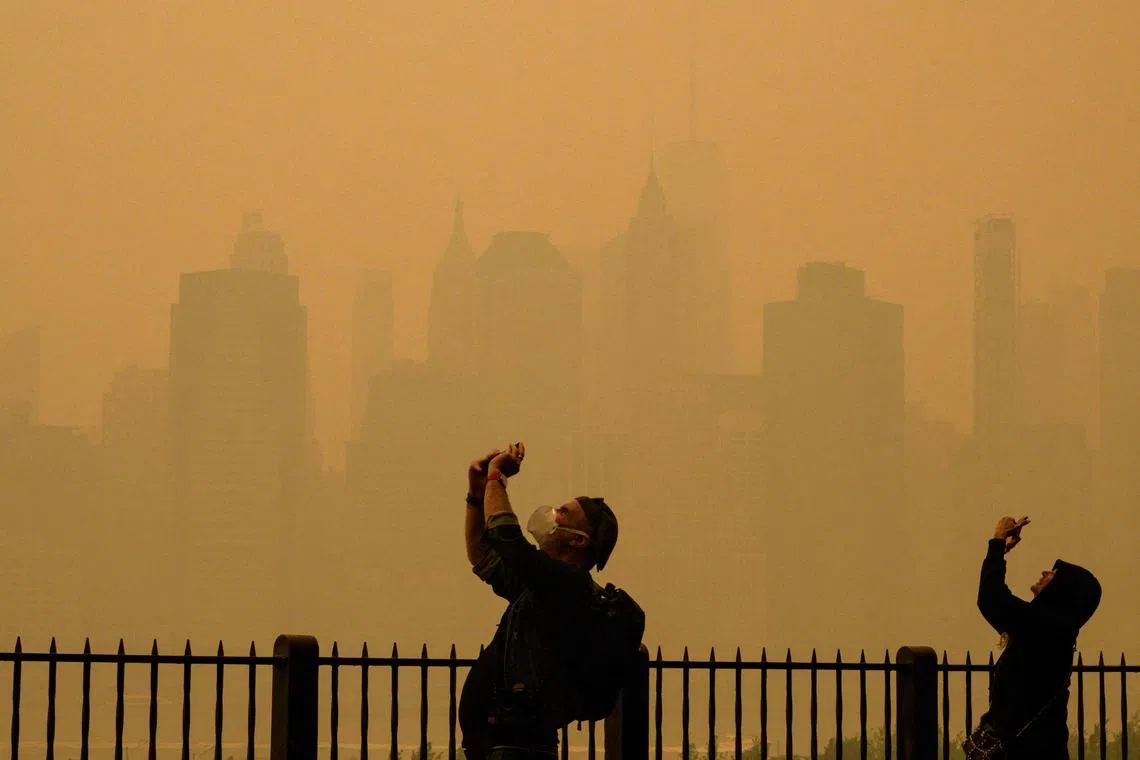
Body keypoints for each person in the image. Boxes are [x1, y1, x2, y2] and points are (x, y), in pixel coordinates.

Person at [459, 442, 624, 760]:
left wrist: (496, 478)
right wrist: (476, 492)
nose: (552, 513)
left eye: (563, 512)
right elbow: (483, 557)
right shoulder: (541, 585)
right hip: (497, 744)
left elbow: (505, 538)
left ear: (578, 540)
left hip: (520, 747)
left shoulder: (568, 585)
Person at [969, 516, 1102, 760]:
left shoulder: (1046, 628)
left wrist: (998, 542)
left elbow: (992, 598)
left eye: (1055, 574)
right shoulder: (1052, 631)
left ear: (1064, 591)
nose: (1045, 572)